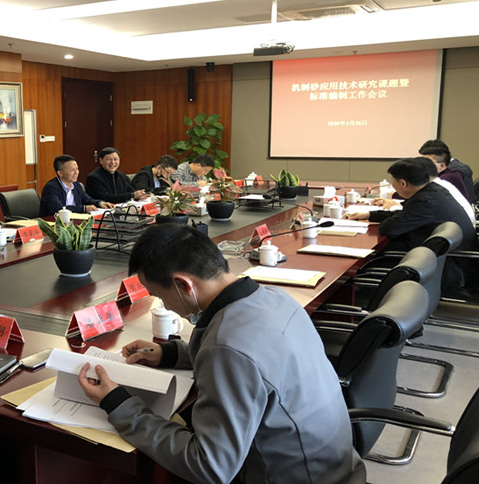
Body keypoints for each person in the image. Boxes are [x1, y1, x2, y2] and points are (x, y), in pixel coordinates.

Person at [76, 225, 365, 484]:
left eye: (161, 297)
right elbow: (255, 360)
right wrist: (170, 354)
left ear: (184, 285)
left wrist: (118, 404)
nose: (165, 305)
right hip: (334, 465)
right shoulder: (274, 298)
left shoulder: (227, 348)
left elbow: (209, 466)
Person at [347, 157, 478, 291]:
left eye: (392, 181)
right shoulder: (433, 190)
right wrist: (370, 215)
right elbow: (405, 214)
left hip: (448, 269)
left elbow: (389, 228)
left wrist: (382, 221)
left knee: (371, 257)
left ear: (403, 183)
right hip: (448, 261)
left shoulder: (424, 201)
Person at [39, 155, 116, 216]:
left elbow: (87, 200)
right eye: (72, 170)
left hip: (75, 220)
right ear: (60, 173)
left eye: (77, 169)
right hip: (54, 223)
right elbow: (58, 209)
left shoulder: (76, 185)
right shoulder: (51, 187)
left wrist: (100, 203)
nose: (76, 172)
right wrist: (83, 208)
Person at [85, 147, 149, 203]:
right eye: (109, 159)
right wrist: (132, 195)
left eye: (115, 159)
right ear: (101, 160)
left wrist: (140, 194)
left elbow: (130, 190)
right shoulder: (93, 178)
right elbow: (106, 198)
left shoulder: (122, 176)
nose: (112, 162)